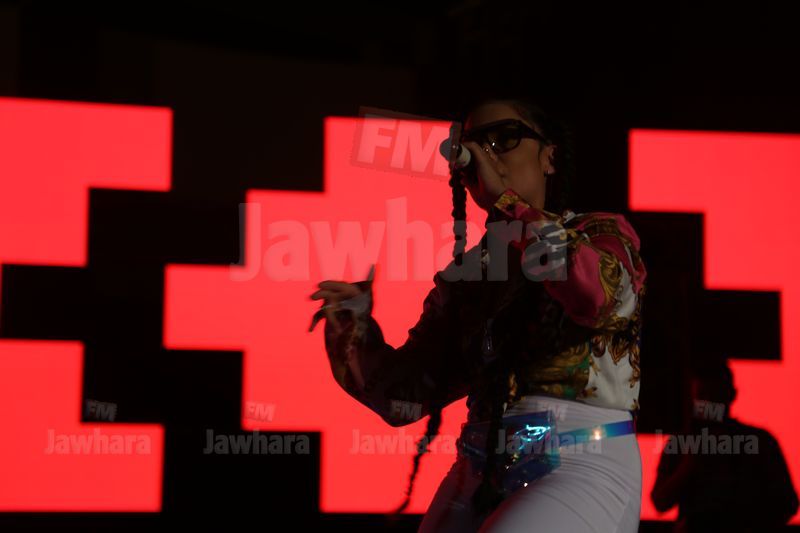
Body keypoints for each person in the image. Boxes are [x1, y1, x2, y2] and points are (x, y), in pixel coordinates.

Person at [310, 95, 647, 531]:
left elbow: (594, 296)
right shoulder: (469, 278)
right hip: (478, 467)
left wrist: (507, 203)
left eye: (505, 137)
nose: (486, 154)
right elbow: (402, 398)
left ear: (549, 157)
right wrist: (351, 326)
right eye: (472, 146)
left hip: (578, 460)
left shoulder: (599, 233)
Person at [651, 360, 799, 532]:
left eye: (714, 395)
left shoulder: (761, 442)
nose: (708, 403)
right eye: (703, 395)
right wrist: (689, 465)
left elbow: (788, 504)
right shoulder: (759, 441)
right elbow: (659, 502)